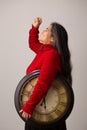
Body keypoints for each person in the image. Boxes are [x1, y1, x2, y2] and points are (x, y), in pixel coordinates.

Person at [20, 17, 72, 130]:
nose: (43, 30)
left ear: (53, 39)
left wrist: (29, 106)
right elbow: (32, 43)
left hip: (44, 116)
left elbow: (42, 83)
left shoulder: (51, 55)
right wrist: (35, 28)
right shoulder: (44, 50)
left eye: (47, 30)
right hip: (38, 111)